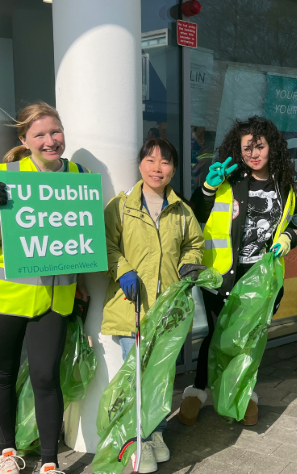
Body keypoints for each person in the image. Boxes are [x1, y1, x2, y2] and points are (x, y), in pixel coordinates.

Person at [0, 102, 90, 474]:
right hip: (2, 298)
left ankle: (50, 463)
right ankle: (7, 454)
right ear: (24, 139)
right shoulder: (4, 177)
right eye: (39, 135)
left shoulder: (78, 175)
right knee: (2, 376)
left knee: (45, 377)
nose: (50, 140)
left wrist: (82, 280)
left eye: (55, 131)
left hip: (53, 300)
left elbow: (79, 236)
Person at [187, 116, 297, 426]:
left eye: (259, 146)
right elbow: (197, 211)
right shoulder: (228, 178)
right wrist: (208, 186)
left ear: (270, 147)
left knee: (248, 338)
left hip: (260, 277)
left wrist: (287, 240)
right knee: (215, 335)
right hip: (222, 274)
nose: (253, 153)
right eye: (246, 147)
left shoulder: (282, 184)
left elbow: (292, 223)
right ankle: (197, 390)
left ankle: (245, 393)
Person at [102, 138, 204, 472]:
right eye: (150, 160)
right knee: (138, 378)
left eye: (165, 162)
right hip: (133, 307)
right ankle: (137, 440)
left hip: (169, 311)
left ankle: (156, 432)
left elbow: (194, 245)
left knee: (162, 377)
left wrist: (190, 263)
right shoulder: (120, 206)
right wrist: (122, 269)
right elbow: (105, 245)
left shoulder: (183, 211)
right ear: (140, 164)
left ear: (174, 169)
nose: (157, 168)